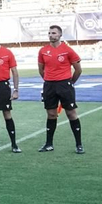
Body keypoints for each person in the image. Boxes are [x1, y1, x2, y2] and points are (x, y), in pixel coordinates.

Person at [37, 25, 83, 154]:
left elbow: (78, 69)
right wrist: (48, 79)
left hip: (65, 85)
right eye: (49, 33)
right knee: (51, 114)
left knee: (71, 113)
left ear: (60, 35)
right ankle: (49, 144)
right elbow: (41, 69)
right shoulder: (43, 51)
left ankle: (79, 144)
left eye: (54, 33)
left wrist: (70, 82)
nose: (51, 35)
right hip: (49, 85)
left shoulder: (68, 50)